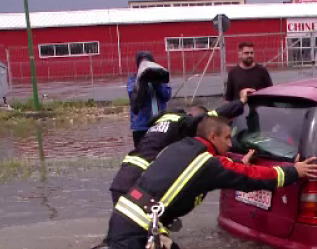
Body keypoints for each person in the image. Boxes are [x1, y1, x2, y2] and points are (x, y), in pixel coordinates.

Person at [72, 115, 317, 249]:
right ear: (213, 136)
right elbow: (251, 177)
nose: (231, 142)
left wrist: (234, 163)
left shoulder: (183, 148)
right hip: (137, 227)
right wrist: (293, 172)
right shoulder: (207, 163)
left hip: (132, 217)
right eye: (226, 138)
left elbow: (215, 169)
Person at [109, 87, 255, 205]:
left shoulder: (162, 124)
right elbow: (213, 116)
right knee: (141, 230)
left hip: (122, 179)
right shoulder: (183, 124)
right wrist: (241, 102)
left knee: (127, 228)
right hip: (137, 184)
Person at [128, 51, 172, 148]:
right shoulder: (133, 80)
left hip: (160, 124)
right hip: (141, 126)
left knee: (161, 152)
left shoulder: (160, 77)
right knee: (142, 153)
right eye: (142, 63)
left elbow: (167, 95)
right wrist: (142, 81)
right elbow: (134, 98)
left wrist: (157, 82)